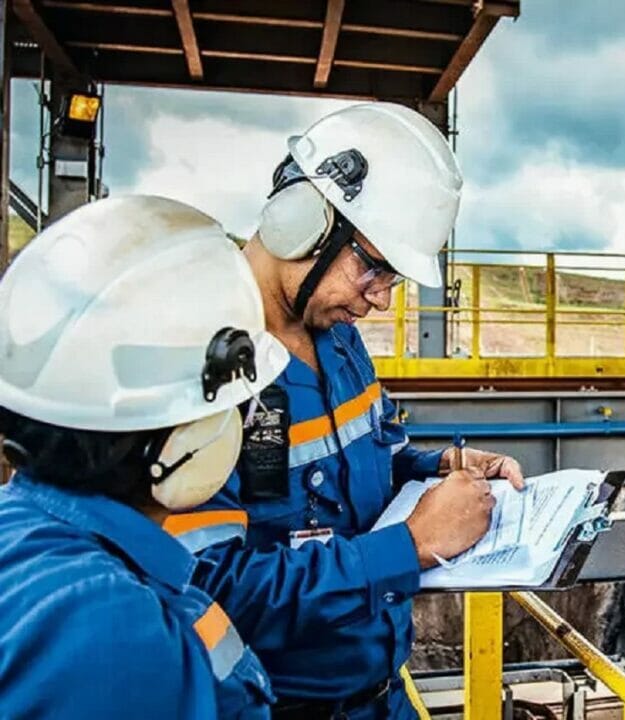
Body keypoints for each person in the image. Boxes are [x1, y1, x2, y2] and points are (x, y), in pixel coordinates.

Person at [164, 102, 525, 719]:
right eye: (376, 268)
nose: (381, 301)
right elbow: (206, 590)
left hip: (382, 693)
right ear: (300, 221)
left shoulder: (337, 337)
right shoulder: (199, 366)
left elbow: (363, 460)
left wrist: (438, 465)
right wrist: (408, 546)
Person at [0, 195, 291, 718]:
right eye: (236, 409)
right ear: (180, 444)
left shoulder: (22, 536)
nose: (245, 425)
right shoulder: (113, 633)